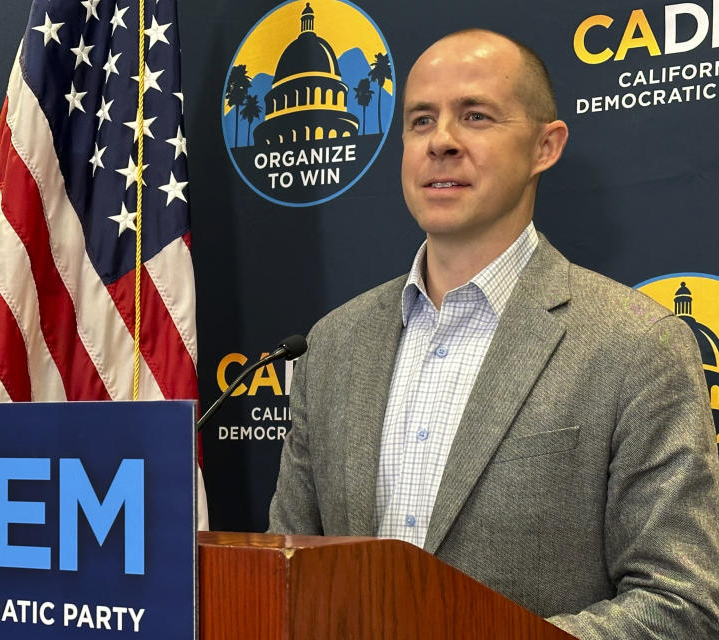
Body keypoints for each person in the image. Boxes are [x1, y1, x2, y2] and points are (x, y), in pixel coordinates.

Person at [268, 29, 719, 639]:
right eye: (421, 120)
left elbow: (682, 604)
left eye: (475, 116)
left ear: (545, 146)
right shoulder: (332, 345)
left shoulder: (636, 344)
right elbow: (282, 574)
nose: (442, 142)